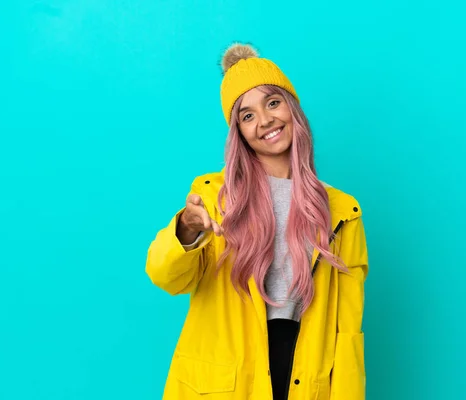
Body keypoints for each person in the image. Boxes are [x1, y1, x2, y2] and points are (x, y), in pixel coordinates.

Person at [145, 43, 369, 400]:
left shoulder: (341, 211)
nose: (264, 120)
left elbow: (348, 329)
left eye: (272, 103)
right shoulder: (216, 198)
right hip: (227, 382)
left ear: (292, 108)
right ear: (239, 134)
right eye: (247, 116)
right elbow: (166, 277)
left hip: (305, 374)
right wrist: (187, 227)